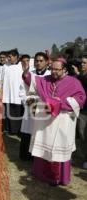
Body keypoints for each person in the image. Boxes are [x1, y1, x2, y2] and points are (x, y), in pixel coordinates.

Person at [22, 58, 86, 186]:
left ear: (65, 69)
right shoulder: (45, 79)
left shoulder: (73, 82)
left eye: (57, 70)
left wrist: (61, 103)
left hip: (62, 121)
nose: (53, 72)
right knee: (44, 145)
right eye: (52, 69)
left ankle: (58, 177)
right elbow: (30, 80)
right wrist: (25, 72)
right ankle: (41, 173)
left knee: (59, 149)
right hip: (45, 122)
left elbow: (81, 98)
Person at [19, 52, 51, 161]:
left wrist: (38, 101)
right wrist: (27, 100)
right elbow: (22, 91)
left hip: (43, 109)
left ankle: (38, 158)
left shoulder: (50, 75)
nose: (38, 63)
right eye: (36, 60)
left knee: (41, 133)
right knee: (28, 131)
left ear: (47, 62)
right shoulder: (29, 74)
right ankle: (26, 156)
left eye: (41, 61)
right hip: (29, 108)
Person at [2, 49, 24, 135]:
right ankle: (8, 130)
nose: (8, 58)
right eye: (8, 56)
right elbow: (1, 79)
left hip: (18, 95)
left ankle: (17, 130)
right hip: (7, 95)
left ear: (16, 57)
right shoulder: (5, 66)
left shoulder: (21, 66)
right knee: (8, 114)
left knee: (17, 113)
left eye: (10, 56)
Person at [75, 55, 87, 169]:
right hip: (82, 110)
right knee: (83, 135)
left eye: (84, 63)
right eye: (81, 62)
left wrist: (78, 75)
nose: (82, 64)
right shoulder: (79, 76)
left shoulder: (82, 76)